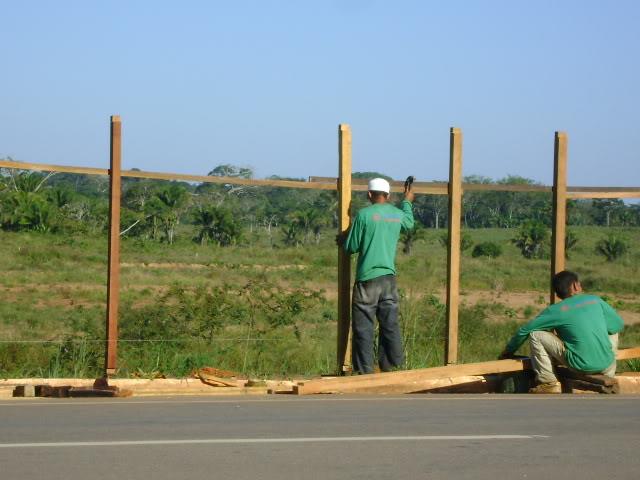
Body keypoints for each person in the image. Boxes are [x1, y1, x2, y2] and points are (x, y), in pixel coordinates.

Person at [499, 270, 624, 393]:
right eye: (579, 283)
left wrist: (508, 352)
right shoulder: (595, 300)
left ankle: (548, 382)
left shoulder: (556, 310)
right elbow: (618, 325)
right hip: (607, 363)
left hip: (580, 365)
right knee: (613, 330)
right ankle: (608, 373)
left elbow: (524, 330)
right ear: (575, 286)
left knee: (536, 334)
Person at [342, 177, 415, 374]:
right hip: (389, 279)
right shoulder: (397, 214)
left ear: (369, 194)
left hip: (367, 279)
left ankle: (364, 370)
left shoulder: (364, 215)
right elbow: (409, 223)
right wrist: (407, 201)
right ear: (388, 195)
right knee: (389, 324)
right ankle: (391, 366)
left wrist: (343, 238)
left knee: (364, 327)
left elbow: (351, 247)